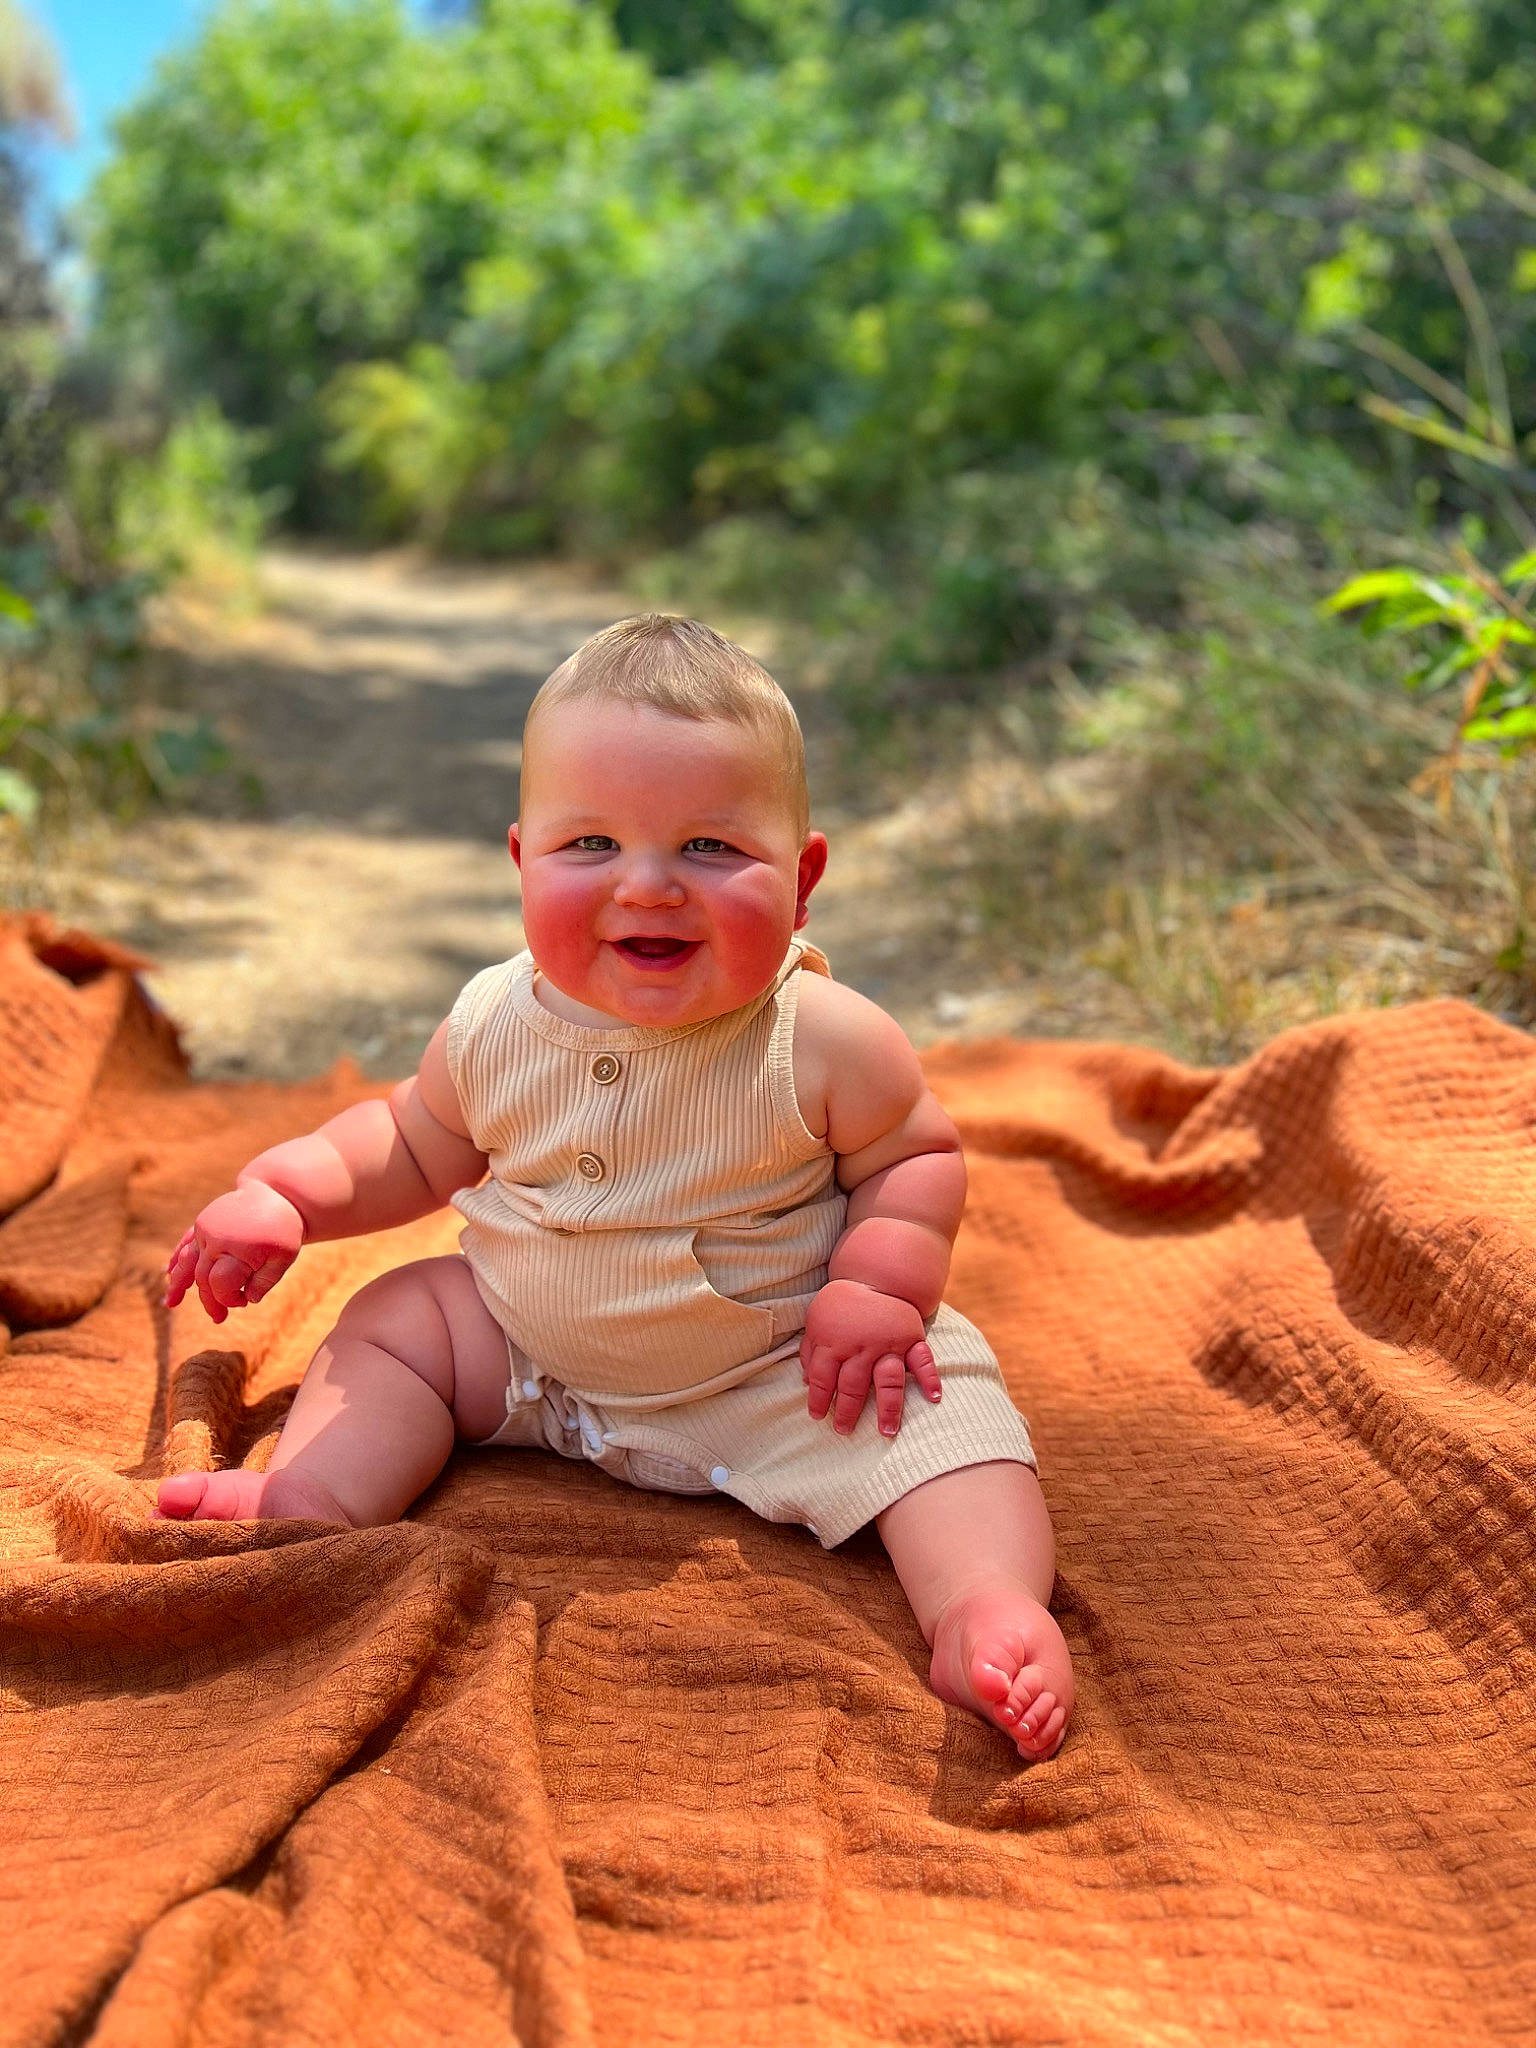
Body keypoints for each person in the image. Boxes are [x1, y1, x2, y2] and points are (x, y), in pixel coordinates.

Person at [157, 615, 1074, 1762]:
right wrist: (287, 1194)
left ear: (802, 882)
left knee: (946, 1417)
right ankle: (316, 1496)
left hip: (782, 1367)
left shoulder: (823, 1039)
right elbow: (408, 1142)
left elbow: (914, 1159)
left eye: (708, 847)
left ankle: (984, 1606)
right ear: (521, 862)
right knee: (398, 1319)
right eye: (590, 842)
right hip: (532, 1359)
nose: (648, 884)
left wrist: (879, 1288)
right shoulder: (493, 1023)